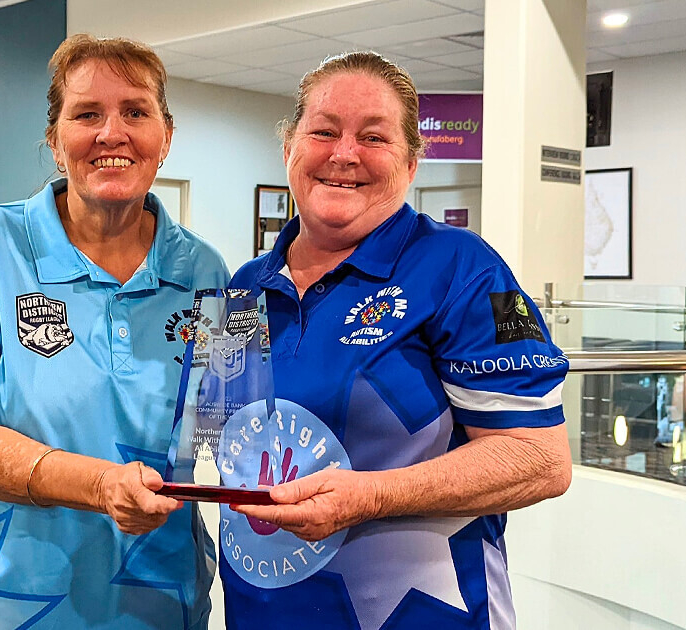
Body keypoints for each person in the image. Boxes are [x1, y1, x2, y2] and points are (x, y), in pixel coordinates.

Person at [222, 52, 571, 630]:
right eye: (324, 131)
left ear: (411, 164)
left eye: (373, 137)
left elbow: (540, 460)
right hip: (264, 610)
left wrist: (369, 496)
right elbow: (217, 434)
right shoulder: (245, 287)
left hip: (420, 613)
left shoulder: (464, 269)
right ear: (289, 150)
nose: (343, 154)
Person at [0, 34, 228, 629]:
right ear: (56, 142)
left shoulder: (208, 271)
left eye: (136, 111)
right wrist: (102, 484)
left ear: (165, 138)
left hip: (155, 602)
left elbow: (232, 424)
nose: (113, 133)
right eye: (87, 115)